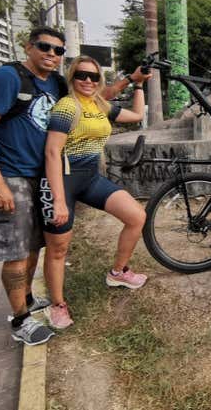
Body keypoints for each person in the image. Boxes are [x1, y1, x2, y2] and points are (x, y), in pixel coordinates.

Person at [0, 27, 150, 346]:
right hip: (10, 174)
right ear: (28, 47)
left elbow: (95, 98)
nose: (52, 54)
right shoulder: (8, 78)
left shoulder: (55, 83)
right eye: (45, 47)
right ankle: (21, 320)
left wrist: (133, 81)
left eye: (58, 50)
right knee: (18, 252)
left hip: (40, 173)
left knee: (35, 247)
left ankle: (26, 299)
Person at [41, 55, 151, 330]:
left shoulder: (99, 105)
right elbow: (53, 152)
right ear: (72, 78)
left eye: (93, 76)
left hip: (90, 178)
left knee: (136, 216)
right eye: (81, 75)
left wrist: (137, 84)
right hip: (63, 179)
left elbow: (137, 116)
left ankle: (118, 272)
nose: (88, 81)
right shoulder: (67, 107)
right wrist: (58, 200)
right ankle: (56, 305)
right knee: (58, 248)